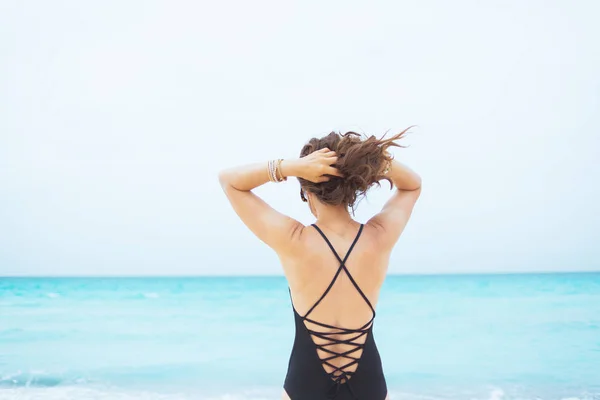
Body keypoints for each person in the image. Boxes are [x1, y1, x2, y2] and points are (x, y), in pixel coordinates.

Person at [218, 129, 421, 400]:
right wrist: (367, 162)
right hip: (368, 382)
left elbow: (229, 180)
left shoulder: (293, 239)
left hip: (305, 381)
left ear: (306, 191)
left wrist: (290, 167)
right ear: (353, 188)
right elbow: (412, 184)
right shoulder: (379, 237)